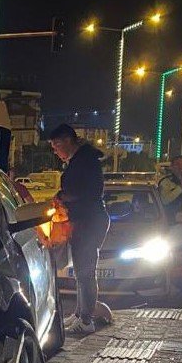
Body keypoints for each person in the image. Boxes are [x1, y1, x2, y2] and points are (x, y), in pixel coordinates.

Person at [49, 123, 110, 334]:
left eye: (57, 145)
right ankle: (78, 313)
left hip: (89, 221)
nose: (55, 151)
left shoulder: (86, 161)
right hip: (83, 220)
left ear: (67, 141)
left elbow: (89, 192)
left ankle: (86, 320)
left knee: (85, 272)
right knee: (81, 273)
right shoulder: (80, 160)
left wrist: (63, 197)